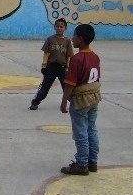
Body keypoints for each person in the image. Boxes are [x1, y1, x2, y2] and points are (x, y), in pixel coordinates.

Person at [59, 24, 101, 176]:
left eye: (75, 36)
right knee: (92, 129)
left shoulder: (77, 59)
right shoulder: (95, 56)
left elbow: (70, 84)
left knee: (80, 132)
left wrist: (64, 101)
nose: (72, 38)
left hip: (80, 100)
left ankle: (81, 164)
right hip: (94, 98)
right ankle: (92, 161)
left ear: (81, 39)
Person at [29, 18, 74, 110]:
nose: (59, 28)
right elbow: (46, 53)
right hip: (51, 67)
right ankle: (35, 102)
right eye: (57, 26)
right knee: (45, 87)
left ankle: (75, 104)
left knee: (66, 88)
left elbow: (69, 56)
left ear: (65, 28)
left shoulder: (67, 41)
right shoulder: (50, 39)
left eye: (61, 27)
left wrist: (68, 67)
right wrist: (44, 66)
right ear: (54, 27)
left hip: (62, 68)